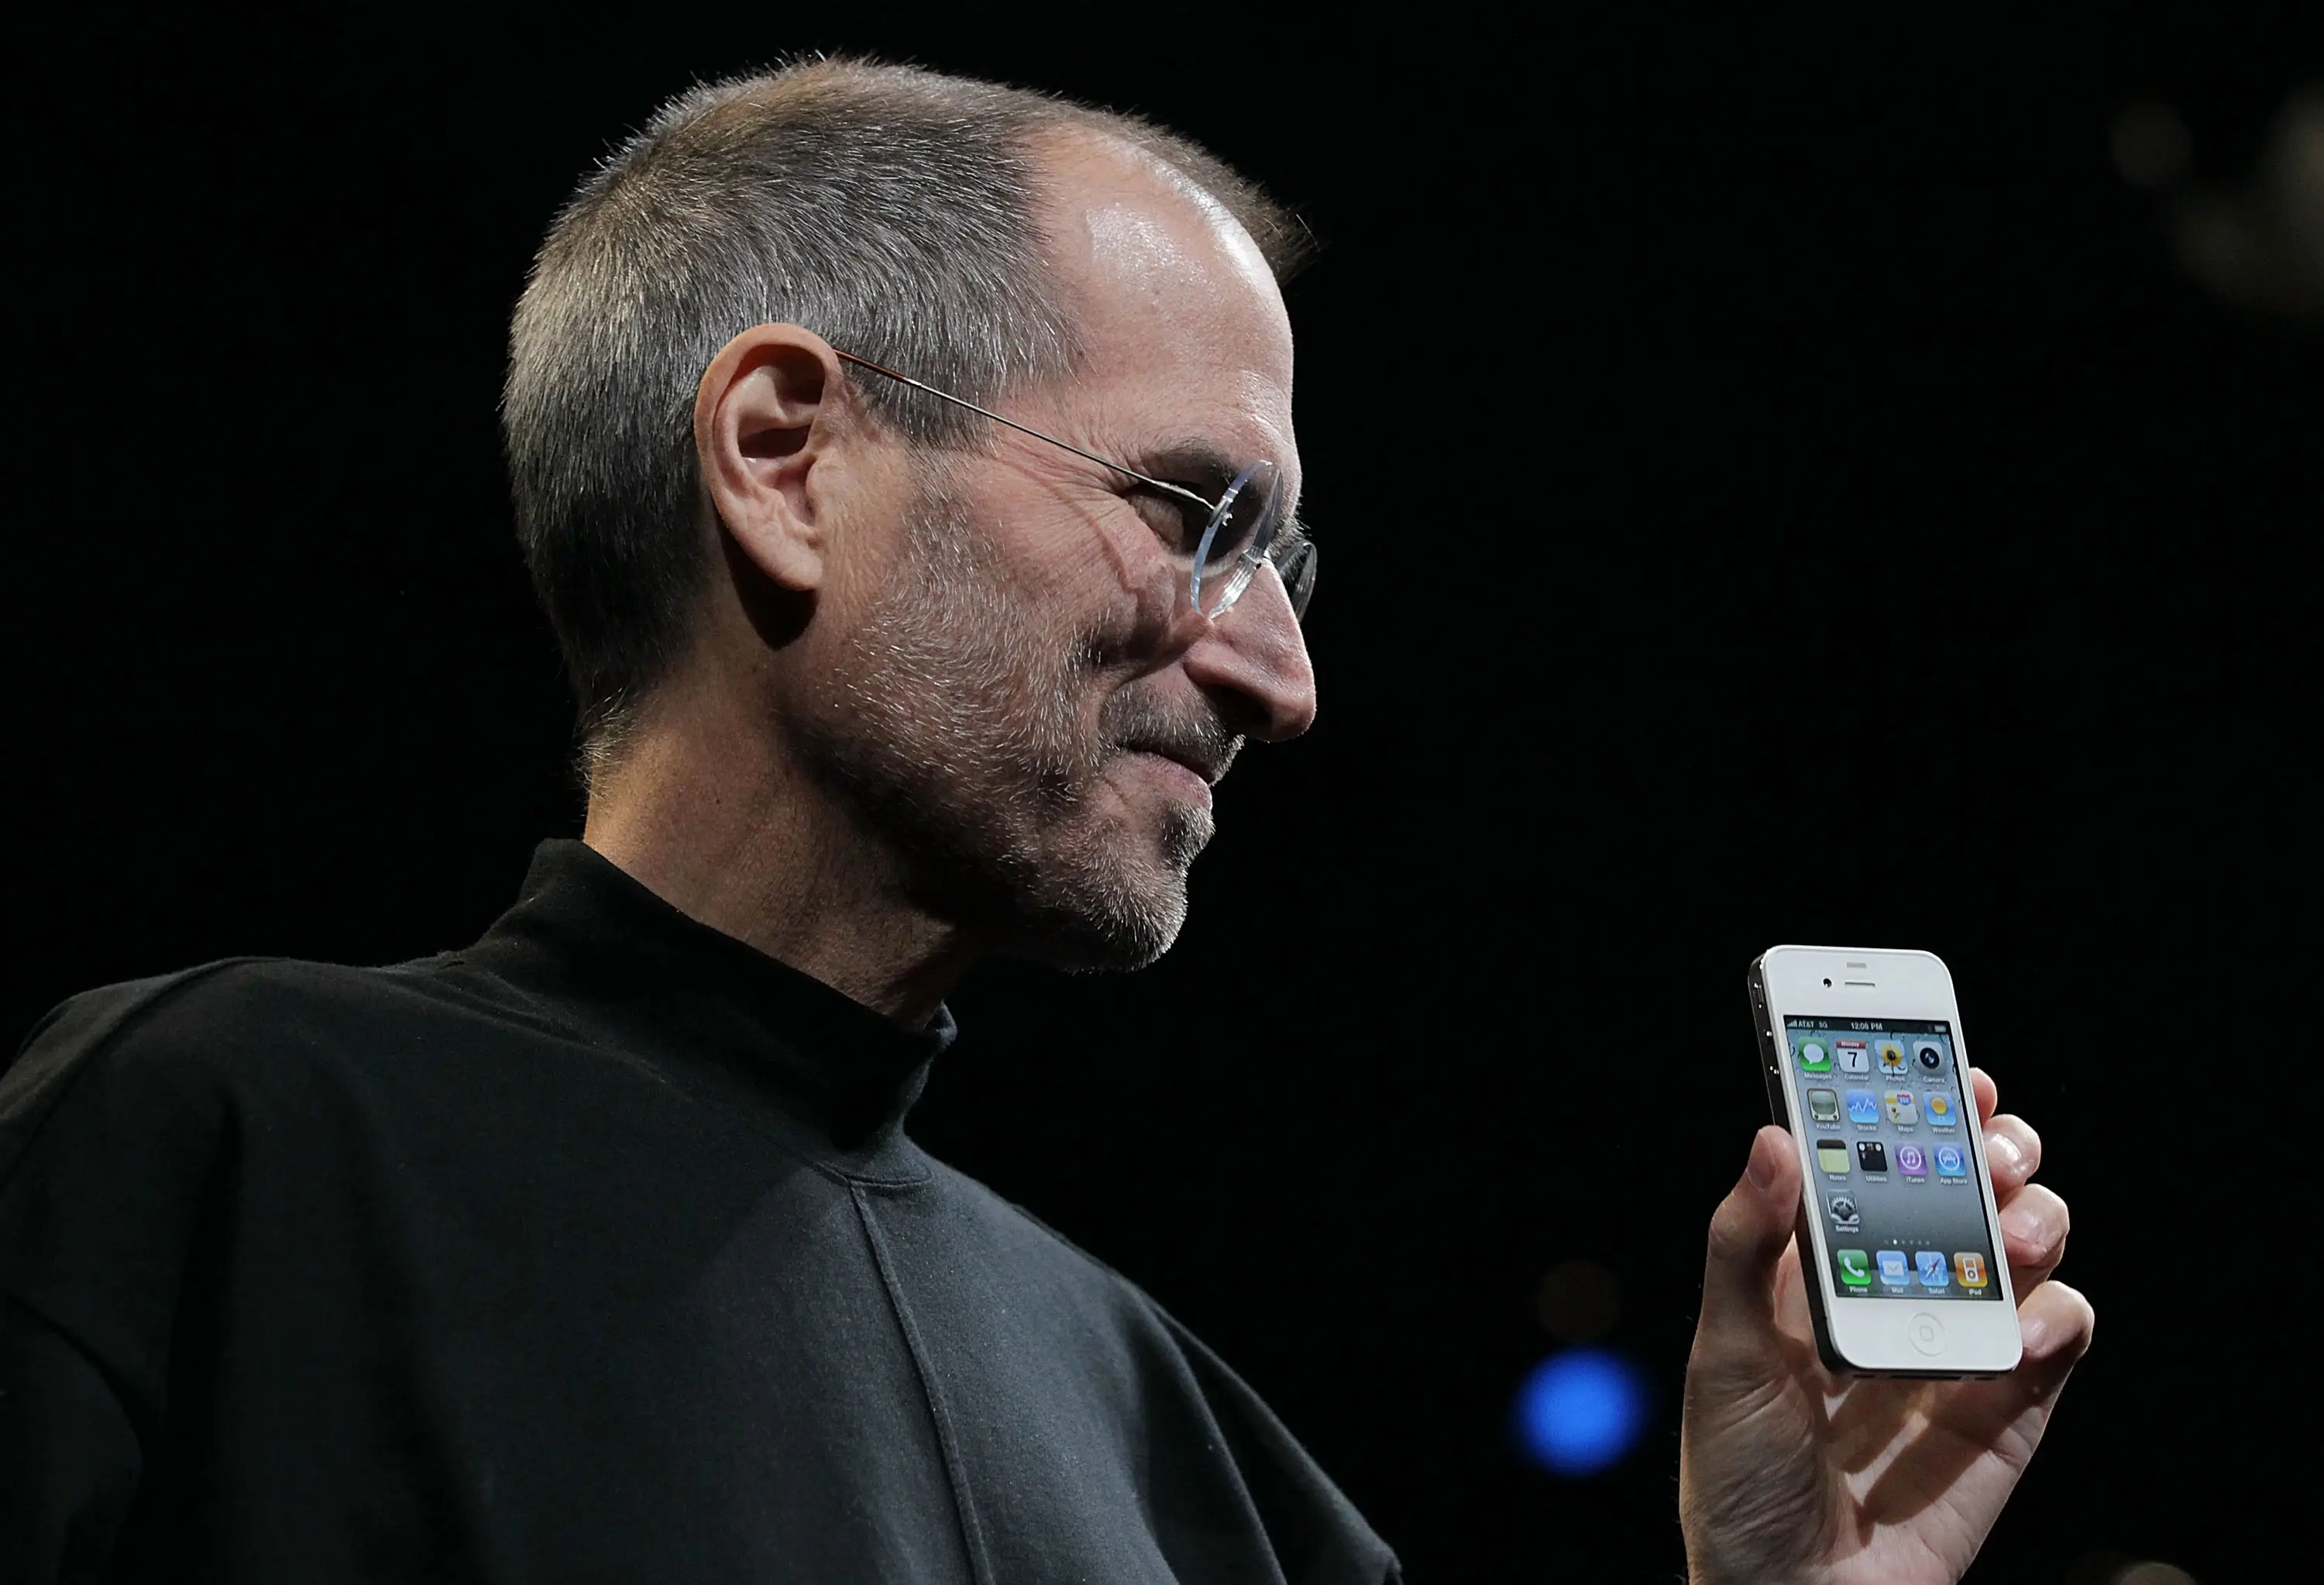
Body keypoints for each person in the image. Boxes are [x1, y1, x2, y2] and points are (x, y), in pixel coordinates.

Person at [0, 59, 2092, 1584]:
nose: (1282, 675)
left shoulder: (1196, 1455)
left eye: (1290, 567)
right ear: (786, 455)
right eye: (1197, 518)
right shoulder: (208, 1147)